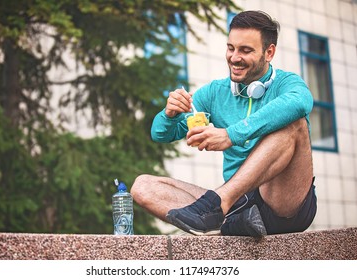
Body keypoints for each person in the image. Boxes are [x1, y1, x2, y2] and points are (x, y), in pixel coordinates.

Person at [130, 10, 317, 237]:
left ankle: (220, 206)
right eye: (231, 48)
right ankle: (230, 223)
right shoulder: (214, 93)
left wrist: (230, 135)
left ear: (269, 52)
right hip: (239, 208)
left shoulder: (287, 83)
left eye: (245, 50)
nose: (234, 57)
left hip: (283, 202)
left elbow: (301, 103)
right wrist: (169, 114)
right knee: (142, 186)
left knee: (293, 123)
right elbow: (161, 134)